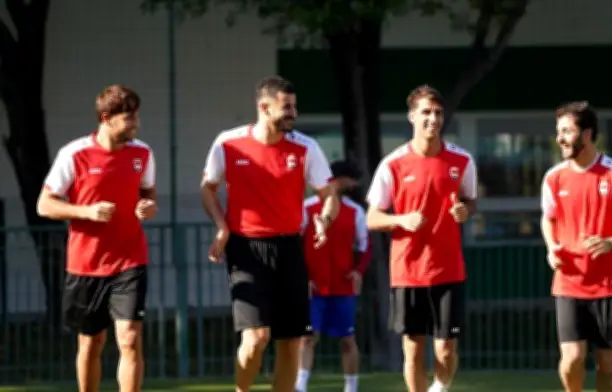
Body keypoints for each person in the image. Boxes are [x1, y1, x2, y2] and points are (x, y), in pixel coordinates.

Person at [200, 76, 339, 392]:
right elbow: (208, 189)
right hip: (245, 249)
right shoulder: (228, 143)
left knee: (291, 342)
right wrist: (222, 227)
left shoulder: (306, 147)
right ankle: (242, 390)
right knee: (256, 337)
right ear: (264, 107)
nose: (294, 112)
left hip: (290, 247)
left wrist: (324, 219)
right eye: (286, 107)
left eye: (294, 106)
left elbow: (329, 193)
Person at [36, 84, 157, 392]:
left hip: (130, 258)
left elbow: (147, 191)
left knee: (129, 337)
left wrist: (147, 205)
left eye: (136, 116)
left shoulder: (142, 152)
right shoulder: (74, 154)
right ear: (106, 118)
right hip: (86, 264)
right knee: (91, 343)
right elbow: (44, 204)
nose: (136, 123)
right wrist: (86, 212)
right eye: (129, 117)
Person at [365, 85, 477, 392]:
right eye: (426, 112)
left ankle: (439, 389)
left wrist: (465, 210)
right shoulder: (393, 164)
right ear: (412, 116)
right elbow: (372, 218)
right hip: (408, 271)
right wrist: (402, 219)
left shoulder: (462, 160)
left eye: (438, 113)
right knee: (413, 350)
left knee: (446, 350)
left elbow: (470, 200)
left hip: (449, 269)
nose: (433, 118)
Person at [540, 101, 612, 392]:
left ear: (587, 134)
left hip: (610, 286)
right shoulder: (553, 178)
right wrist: (552, 248)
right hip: (569, 283)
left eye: (567, 131)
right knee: (572, 359)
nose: (560, 138)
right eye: (558, 131)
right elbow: (548, 219)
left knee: (609, 366)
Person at [295, 160, 371, 392]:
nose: (354, 185)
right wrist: (301, 278)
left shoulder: (355, 211)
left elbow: (365, 247)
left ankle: (351, 387)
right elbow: (294, 246)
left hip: (343, 286)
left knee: (348, 339)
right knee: (307, 337)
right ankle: (300, 385)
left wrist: (358, 272)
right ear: (340, 180)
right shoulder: (306, 208)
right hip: (313, 285)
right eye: (351, 179)